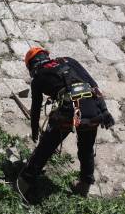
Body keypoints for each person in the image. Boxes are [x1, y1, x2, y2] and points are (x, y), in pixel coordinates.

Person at [17, 47, 114, 198]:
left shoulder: (38, 78)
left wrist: (35, 130)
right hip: (92, 109)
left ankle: (22, 185)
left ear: (31, 65)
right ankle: (84, 187)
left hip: (68, 113)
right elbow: (93, 85)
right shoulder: (69, 61)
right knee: (86, 149)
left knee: (44, 149)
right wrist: (105, 111)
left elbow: (36, 107)